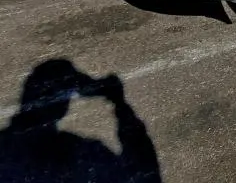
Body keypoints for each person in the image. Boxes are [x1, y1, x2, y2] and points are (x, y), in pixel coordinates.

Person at [0, 59, 161, 183]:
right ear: (63, 106)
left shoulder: (5, 150)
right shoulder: (83, 155)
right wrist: (120, 105)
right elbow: (146, 175)